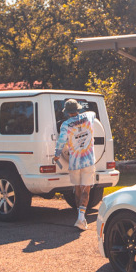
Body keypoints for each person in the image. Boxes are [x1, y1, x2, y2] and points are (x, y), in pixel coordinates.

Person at [55, 98, 97, 230]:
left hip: (74, 162)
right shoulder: (88, 116)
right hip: (88, 160)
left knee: (78, 189)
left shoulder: (65, 125)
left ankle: (79, 217)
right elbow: (93, 114)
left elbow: (61, 142)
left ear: (67, 112)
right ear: (78, 109)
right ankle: (81, 217)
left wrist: (57, 154)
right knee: (86, 189)